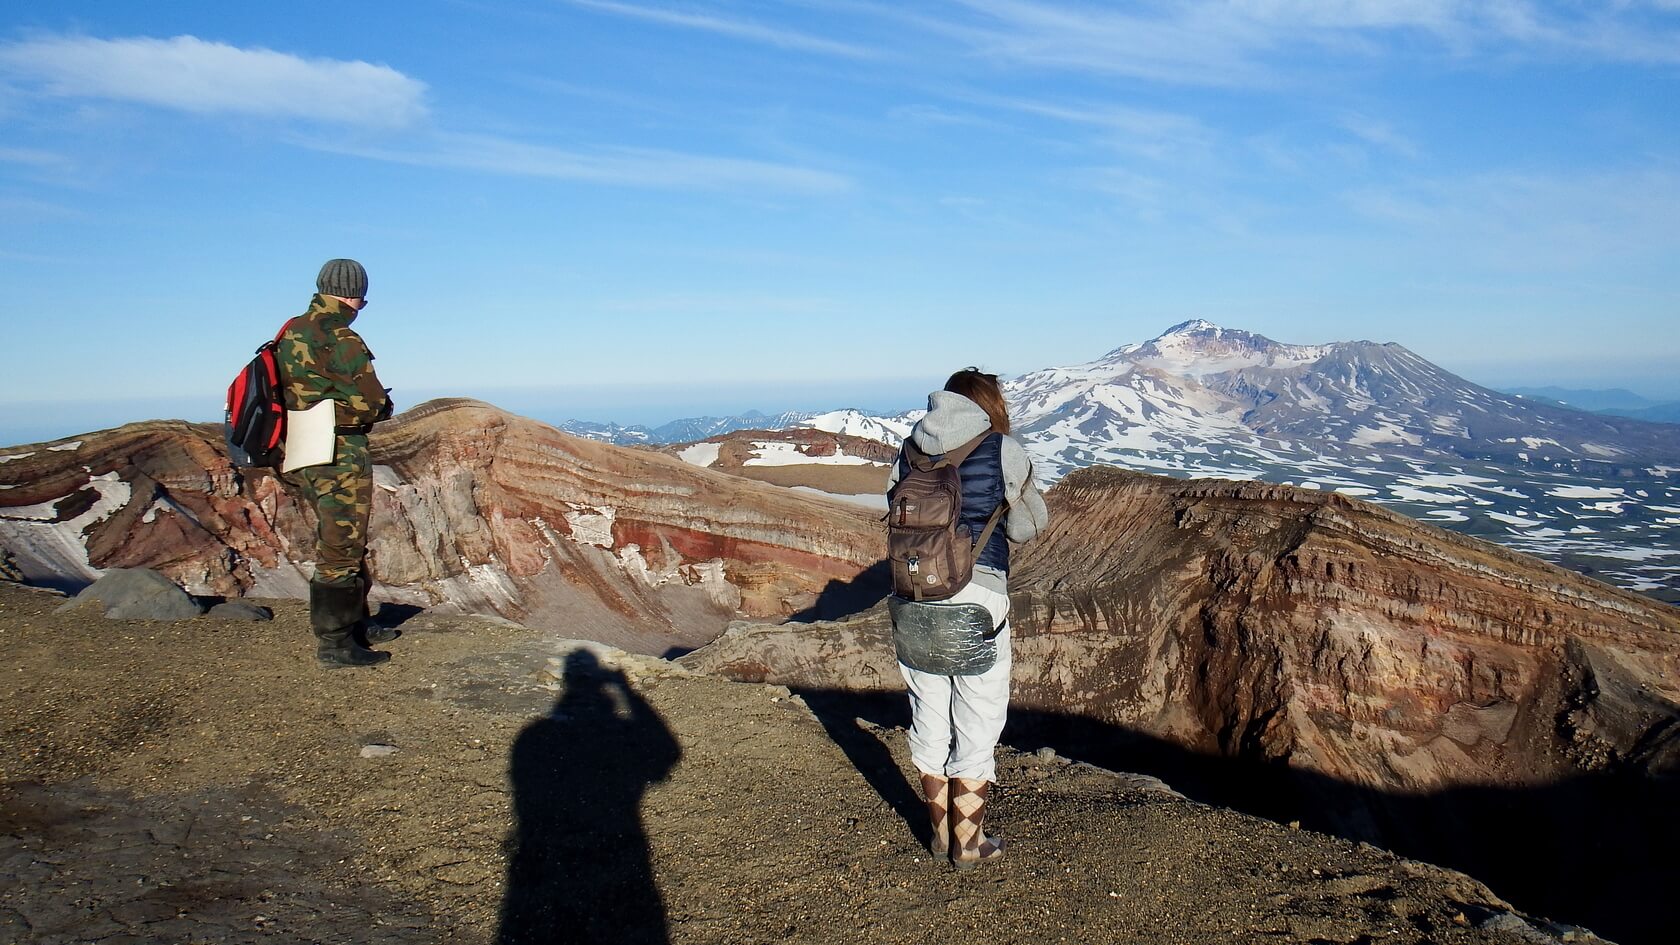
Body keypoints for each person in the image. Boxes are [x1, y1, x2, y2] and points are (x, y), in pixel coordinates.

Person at [887, 368, 1049, 868]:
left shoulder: (911, 448)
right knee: (977, 717)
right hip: (978, 594)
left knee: (928, 713)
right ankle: (970, 843)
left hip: (914, 593)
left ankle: (938, 837)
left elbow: (896, 506)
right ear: (989, 404)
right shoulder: (1002, 448)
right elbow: (1027, 527)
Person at [277, 258, 396, 667]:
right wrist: (384, 407)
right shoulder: (340, 336)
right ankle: (335, 642)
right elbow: (371, 403)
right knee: (342, 546)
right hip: (338, 453)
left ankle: (357, 621)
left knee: (341, 538)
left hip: (303, 450)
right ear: (355, 293)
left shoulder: (292, 330)